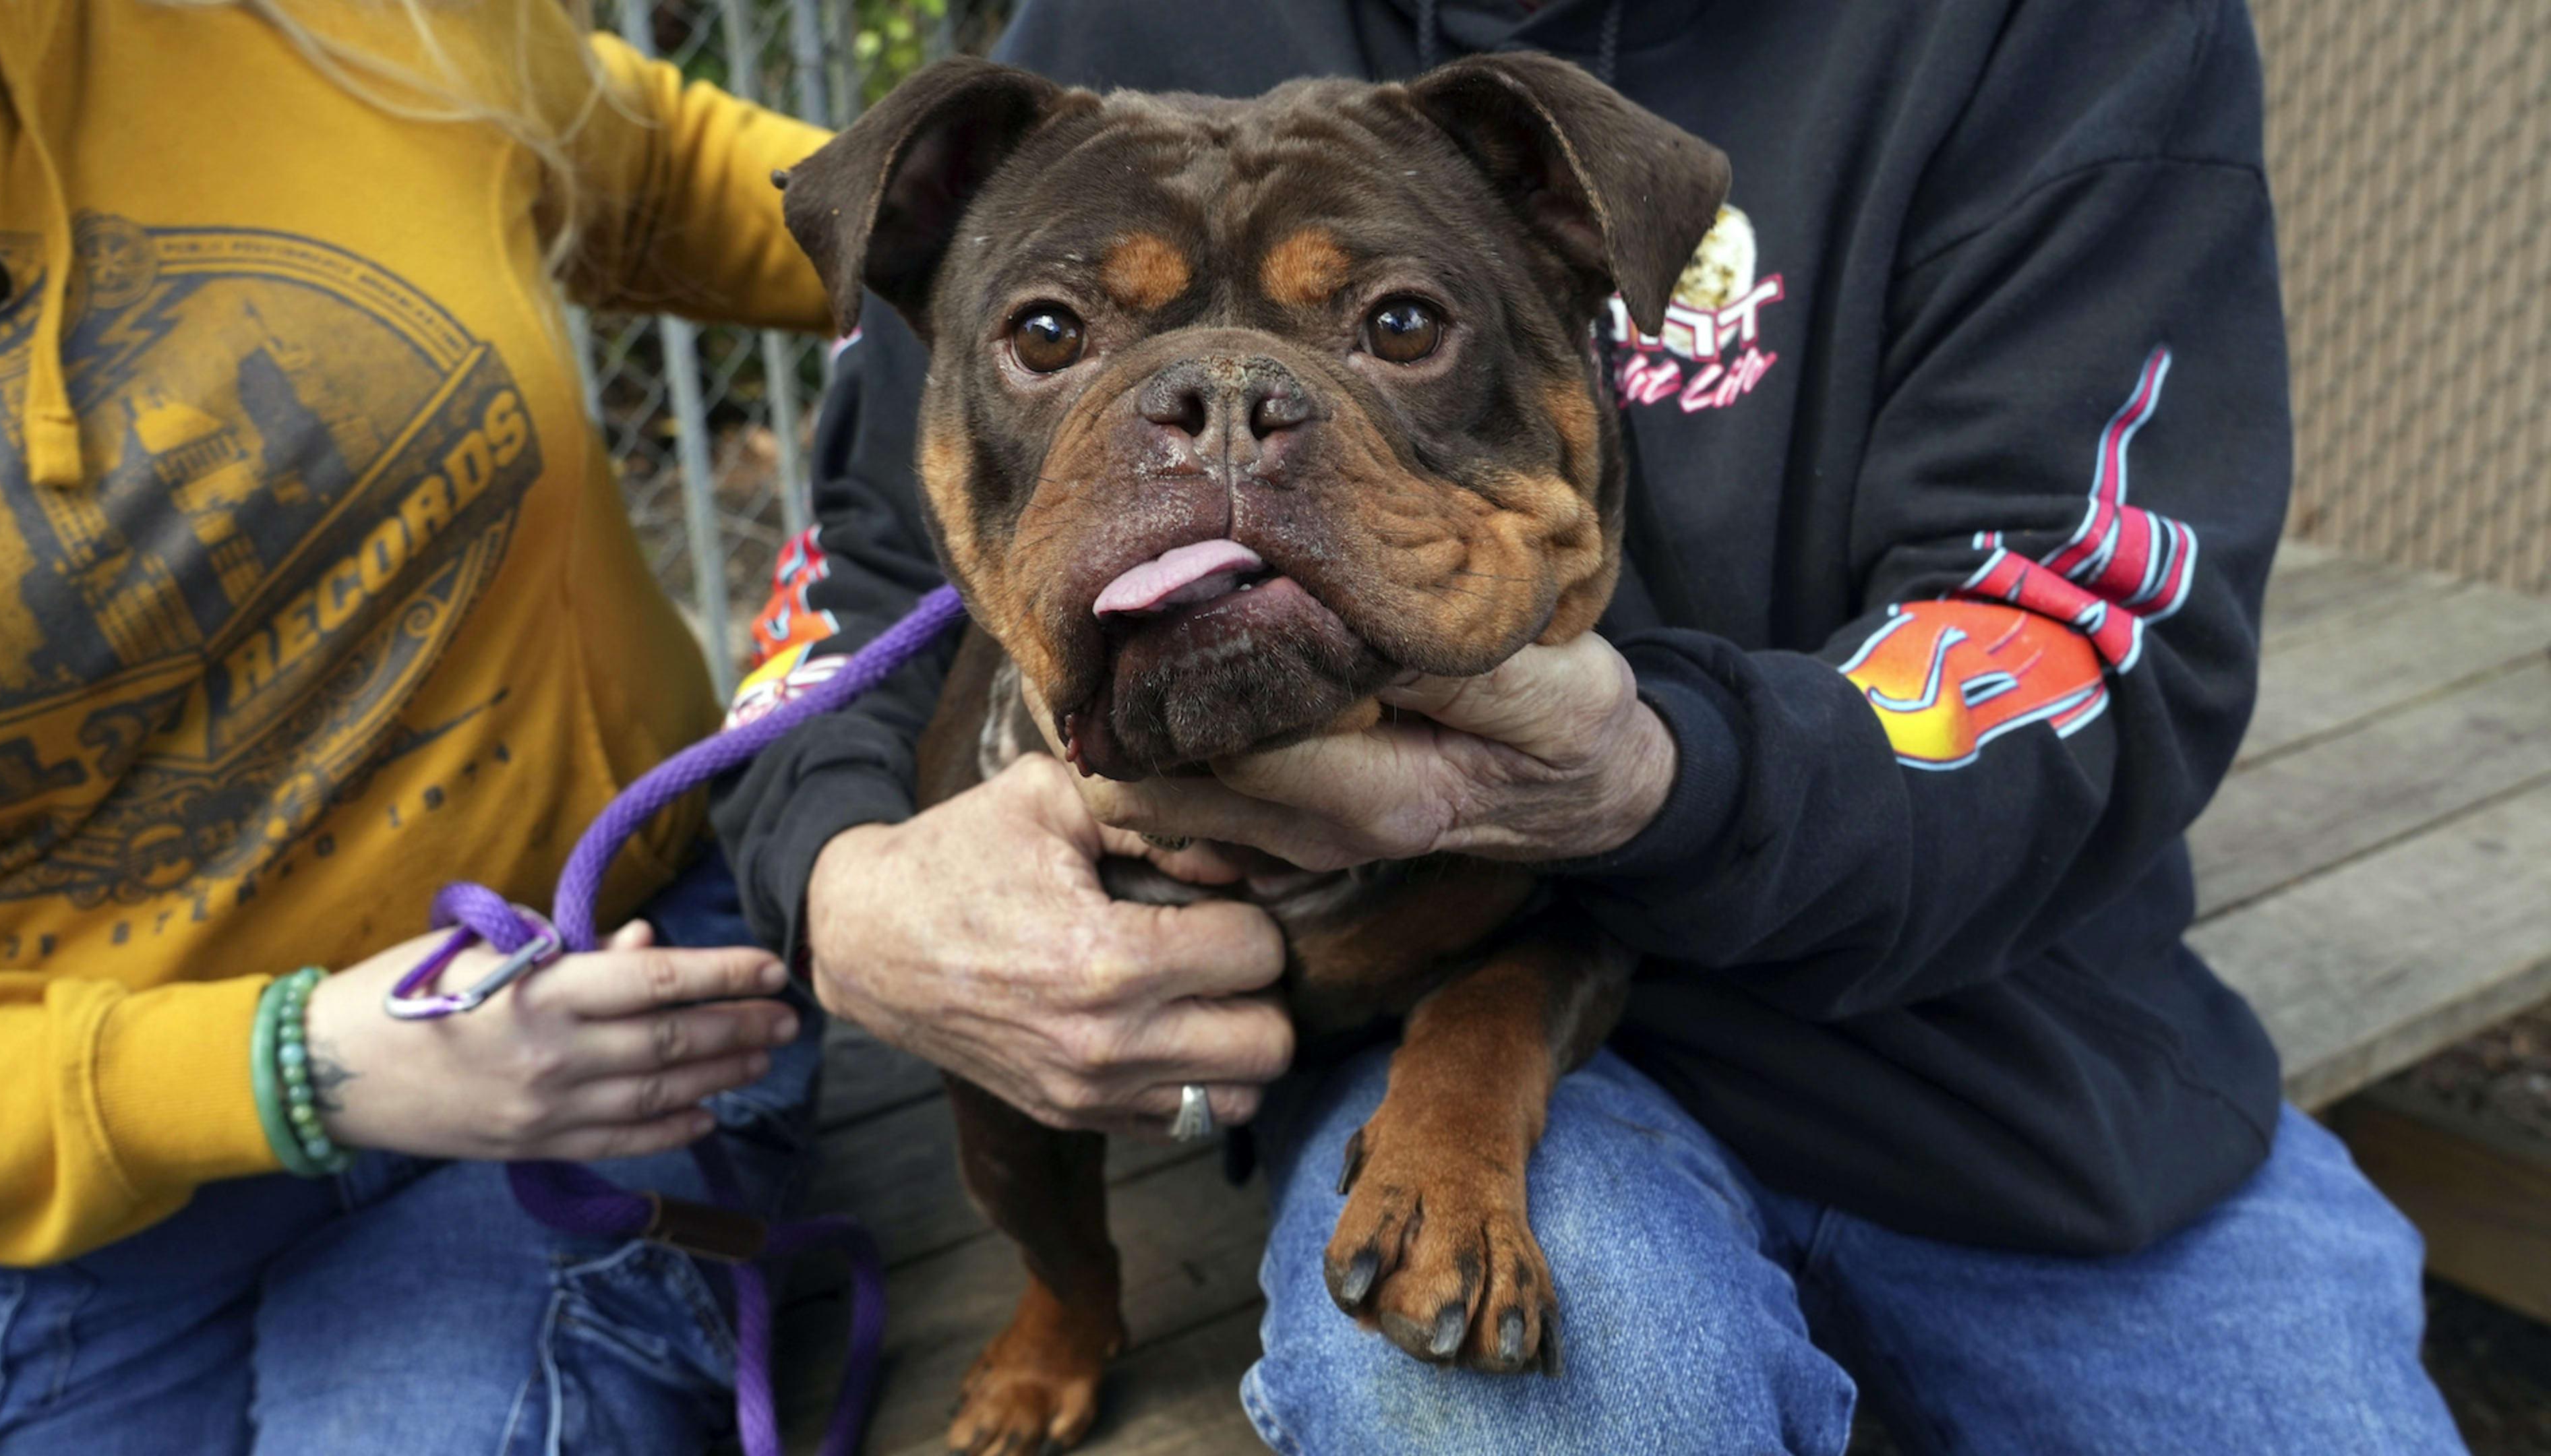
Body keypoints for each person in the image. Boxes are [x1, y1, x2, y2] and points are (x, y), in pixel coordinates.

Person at [713, 0, 2472, 1451]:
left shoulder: (2050, 35)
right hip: (1419, 1045)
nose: (1225, 426)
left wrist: (1644, 776)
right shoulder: (1096, 39)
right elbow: (855, 558)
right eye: (1054, 334)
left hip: (2000, 1054)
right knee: (1508, 1400)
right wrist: (841, 885)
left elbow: (2081, 630)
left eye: (1399, 326)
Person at [0, 1, 842, 1450]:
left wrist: (1061, 235)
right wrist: (288, 1067)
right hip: (59, 1182)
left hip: (594, 997)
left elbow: (656, 159)